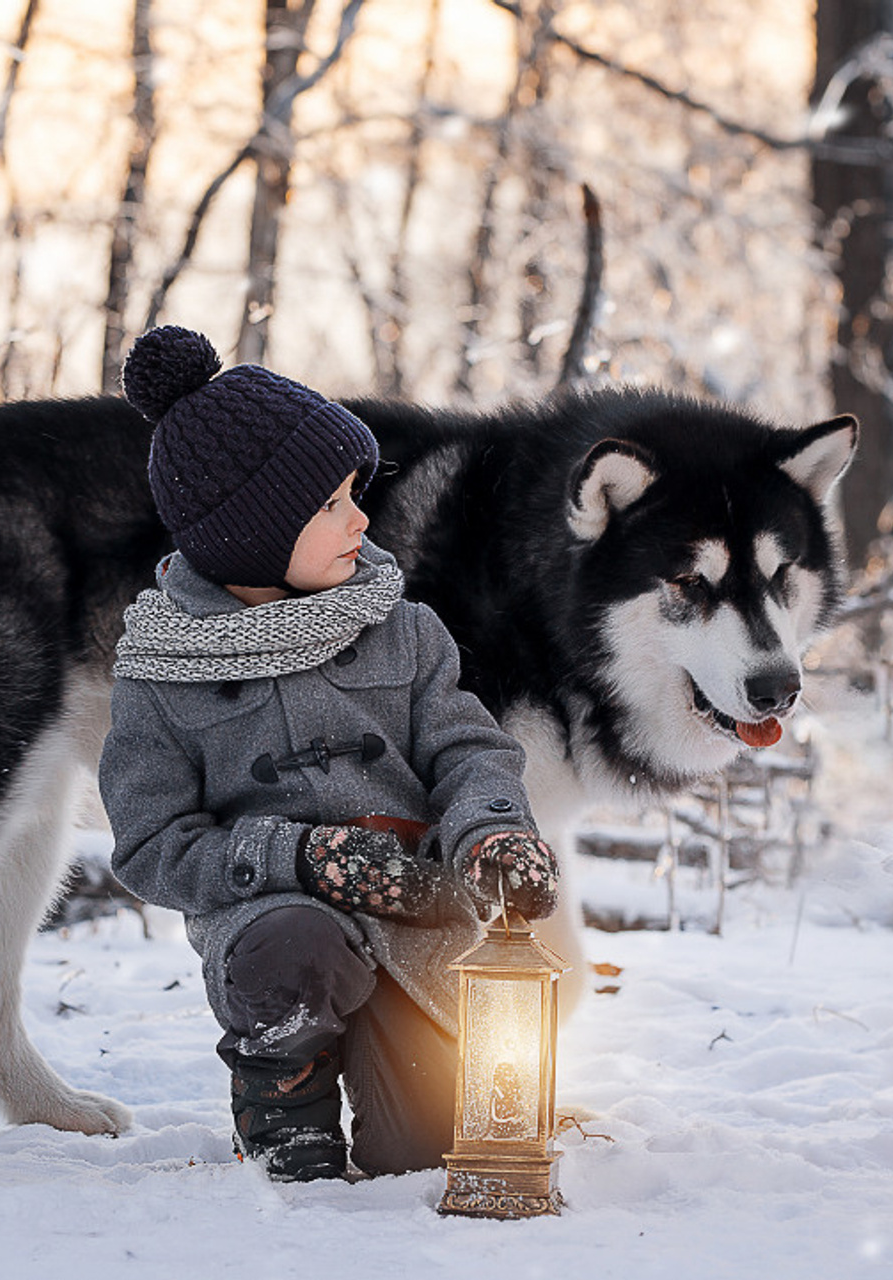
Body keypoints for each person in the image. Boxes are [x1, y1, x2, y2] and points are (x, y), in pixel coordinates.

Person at [99, 326, 558, 1182]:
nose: (360, 519)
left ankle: (399, 1075)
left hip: (415, 914)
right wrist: (298, 857)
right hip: (276, 927)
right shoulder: (165, 670)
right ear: (248, 533)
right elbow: (151, 846)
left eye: (355, 493)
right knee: (296, 947)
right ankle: (285, 1101)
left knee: (423, 1155)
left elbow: (469, 749)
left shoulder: (405, 630)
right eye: (328, 505)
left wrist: (491, 833)